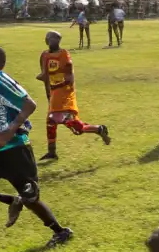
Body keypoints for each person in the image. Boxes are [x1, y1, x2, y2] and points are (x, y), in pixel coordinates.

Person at [0, 45, 72, 247]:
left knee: (31, 199)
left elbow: (30, 104)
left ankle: (60, 232)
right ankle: (10, 200)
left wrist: (8, 133)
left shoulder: (2, 81)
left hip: (16, 150)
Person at [35, 30, 110, 161]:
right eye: (48, 38)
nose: (49, 41)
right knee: (52, 122)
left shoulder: (64, 55)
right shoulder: (44, 55)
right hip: (54, 94)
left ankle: (99, 129)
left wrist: (55, 86)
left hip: (64, 93)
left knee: (71, 124)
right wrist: (48, 91)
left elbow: (69, 78)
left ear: (57, 40)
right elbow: (44, 74)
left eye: (52, 38)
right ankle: (52, 152)